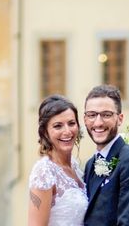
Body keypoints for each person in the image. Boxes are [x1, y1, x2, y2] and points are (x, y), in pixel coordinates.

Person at [82, 85, 129, 225]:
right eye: (92, 115)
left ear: (120, 119)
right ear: (85, 119)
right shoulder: (91, 164)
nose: (98, 122)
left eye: (106, 115)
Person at [28, 95, 88, 226]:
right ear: (45, 132)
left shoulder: (75, 166)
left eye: (71, 123)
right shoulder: (44, 172)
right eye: (58, 126)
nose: (67, 131)